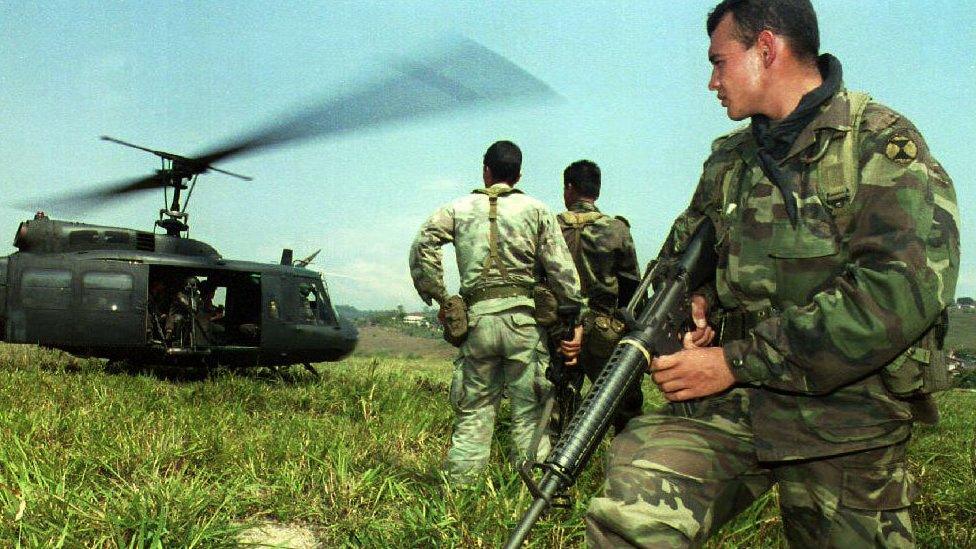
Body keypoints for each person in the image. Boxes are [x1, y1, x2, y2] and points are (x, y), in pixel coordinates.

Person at [585, 1, 960, 546]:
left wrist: (735, 361)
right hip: (734, 406)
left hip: (847, 416)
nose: (711, 81)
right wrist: (698, 306)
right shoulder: (728, 163)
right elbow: (681, 263)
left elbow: (895, 294)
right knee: (630, 515)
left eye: (718, 61)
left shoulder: (879, 144)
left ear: (766, 49)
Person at [409, 140, 586, 484]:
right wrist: (574, 313)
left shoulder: (458, 208)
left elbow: (423, 241)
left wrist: (438, 293)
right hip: (523, 324)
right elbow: (562, 269)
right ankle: (530, 491)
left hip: (476, 323)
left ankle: (461, 491)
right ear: (518, 175)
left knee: (473, 413)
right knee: (530, 415)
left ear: (485, 170)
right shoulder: (536, 210)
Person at [557, 160, 643, 433]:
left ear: (569, 188)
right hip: (605, 330)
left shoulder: (552, 227)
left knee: (559, 401)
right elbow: (632, 286)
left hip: (561, 327)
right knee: (623, 403)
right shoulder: (616, 229)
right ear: (596, 191)